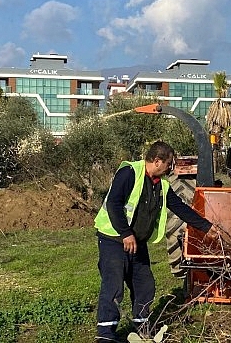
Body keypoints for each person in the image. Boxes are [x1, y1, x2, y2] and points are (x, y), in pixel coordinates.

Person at [93, 141, 220, 342]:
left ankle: (142, 328)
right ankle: (106, 335)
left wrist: (206, 227)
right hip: (114, 239)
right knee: (113, 285)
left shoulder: (162, 185)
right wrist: (126, 233)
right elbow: (113, 203)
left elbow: (180, 208)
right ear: (157, 161)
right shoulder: (129, 173)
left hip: (137, 242)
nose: (171, 168)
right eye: (169, 164)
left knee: (145, 285)